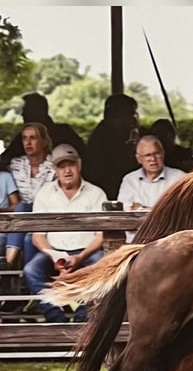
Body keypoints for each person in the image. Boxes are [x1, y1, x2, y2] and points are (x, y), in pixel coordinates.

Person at [23, 144, 107, 323]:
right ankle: (55, 317)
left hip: (87, 252)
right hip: (54, 252)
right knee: (30, 270)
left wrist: (81, 257)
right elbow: (38, 236)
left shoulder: (96, 193)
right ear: (55, 170)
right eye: (61, 166)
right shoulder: (44, 194)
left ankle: (82, 318)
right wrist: (55, 256)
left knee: (102, 264)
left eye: (71, 165)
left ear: (79, 165)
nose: (67, 170)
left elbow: (101, 235)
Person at [4, 122, 57, 268]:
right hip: (21, 219)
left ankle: (8, 262)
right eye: (24, 138)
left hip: (46, 214)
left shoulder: (54, 165)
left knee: (24, 206)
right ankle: (19, 271)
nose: (28, 142)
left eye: (33, 138)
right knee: (28, 236)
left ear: (44, 141)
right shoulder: (16, 164)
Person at [0, 93, 87, 171]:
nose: (22, 114)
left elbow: (4, 160)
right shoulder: (65, 132)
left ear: (35, 112)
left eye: (26, 110)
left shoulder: (64, 133)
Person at [84, 94, 141, 200]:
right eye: (131, 114)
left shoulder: (119, 134)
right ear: (120, 114)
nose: (134, 118)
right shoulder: (103, 138)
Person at [118, 135, 185, 212]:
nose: (153, 159)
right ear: (139, 159)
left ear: (163, 154)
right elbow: (124, 210)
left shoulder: (179, 178)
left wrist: (142, 209)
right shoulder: (129, 180)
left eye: (157, 153)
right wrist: (162, 210)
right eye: (148, 155)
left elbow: (182, 210)